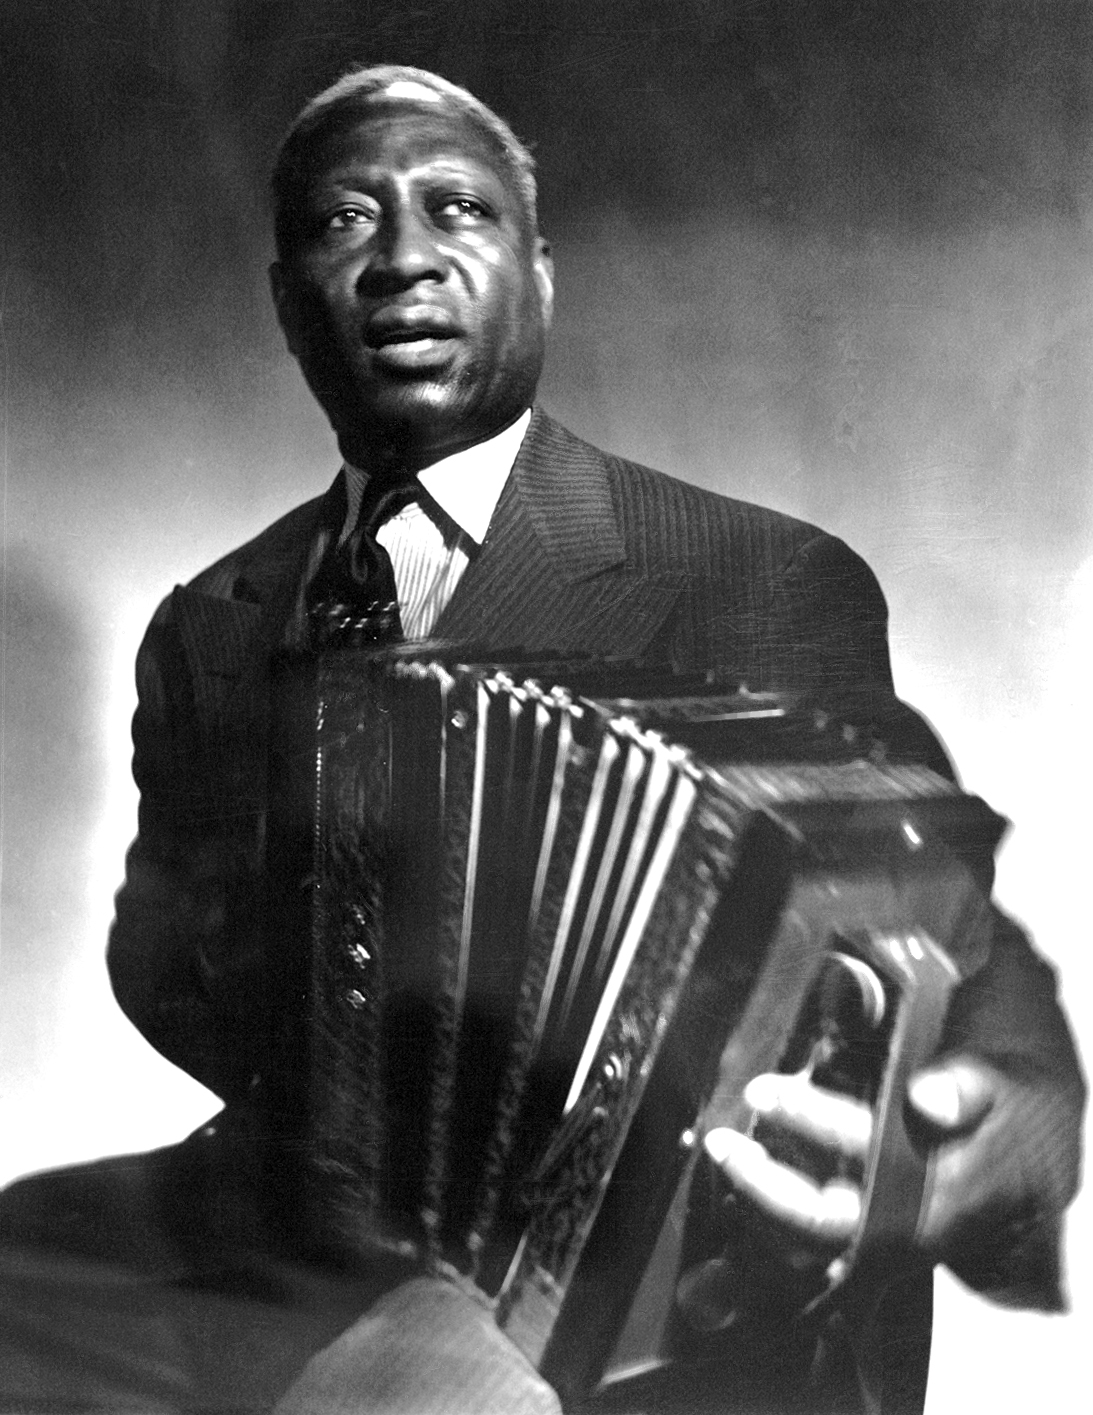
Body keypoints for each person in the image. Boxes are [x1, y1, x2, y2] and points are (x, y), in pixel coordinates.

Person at [0, 65, 1083, 1415]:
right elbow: (160, 957)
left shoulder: (749, 576)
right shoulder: (210, 623)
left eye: (457, 210)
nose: (402, 258)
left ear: (539, 275)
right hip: (306, 1228)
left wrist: (995, 1136)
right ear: (289, 302)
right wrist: (334, 1086)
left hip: (626, 1270)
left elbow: (958, 946)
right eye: (345, 220)